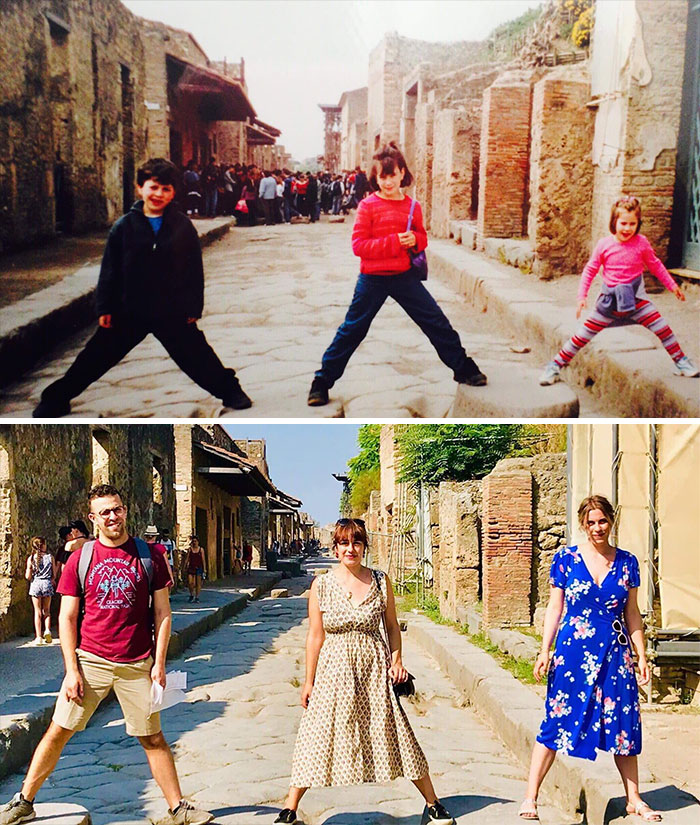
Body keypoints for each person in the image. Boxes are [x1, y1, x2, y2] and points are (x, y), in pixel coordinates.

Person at [0, 484, 213, 825]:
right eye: (105, 512)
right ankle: (24, 800)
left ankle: (177, 808)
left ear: (125, 510)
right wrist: (71, 670)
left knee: (153, 738)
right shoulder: (79, 560)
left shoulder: (149, 556)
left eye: (117, 509)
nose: (112, 517)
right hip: (91, 662)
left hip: (137, 663)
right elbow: (66, 618)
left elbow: (163, 612)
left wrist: (159, 664)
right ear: (93, 518)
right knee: (58, 730)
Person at [32, 157, 252, 417]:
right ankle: (56, 398)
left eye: (166, 189)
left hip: (171, 310)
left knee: (197, 356)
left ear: (173, 193)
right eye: (153, 187)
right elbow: (110, 271)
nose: (159, 194)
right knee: (94, 358)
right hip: (129, 309)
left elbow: (194, 270)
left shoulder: (182, 227)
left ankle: (230, 391)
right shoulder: (124, 227)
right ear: (140, 188)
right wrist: (104, 306)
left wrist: (193, 306)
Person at [275, 518, 454, 825]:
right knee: (316, 733)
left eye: (356, 543)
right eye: (344, 543)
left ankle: (433, 802)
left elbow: (392, 627)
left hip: (374, 667)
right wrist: (308, 681)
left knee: (396, 732)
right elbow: (315, 636)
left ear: (364, 547)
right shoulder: (322, 585)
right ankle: (290, 808)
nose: (350, 549)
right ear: (335, 548)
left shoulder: (381, 581)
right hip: (334, 668)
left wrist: (397, 661)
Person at [307, 141, 487, 406]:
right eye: (383, 176)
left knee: (435, 321)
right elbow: (359, 247)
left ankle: (464, 368)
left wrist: (414, 239)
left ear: (403, 172)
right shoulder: (367, 206)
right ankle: (321, 382)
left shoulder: (412, 206)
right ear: (375, 177)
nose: (388, 182)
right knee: (352, 330)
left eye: (392, 175)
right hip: (373, 279)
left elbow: (422, 239)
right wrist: (395, 242)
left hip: (404, 277)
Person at [519, 495, 661, 823]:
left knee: (624, 725)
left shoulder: (627, 563)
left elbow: (632, 613)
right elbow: (555, 608)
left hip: (615, 653)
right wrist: (544, 650)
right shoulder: (566, 559)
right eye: (591, 522)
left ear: (611, 521)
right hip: (572, 655)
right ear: (583, 524)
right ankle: (531, 796)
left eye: (603, 521)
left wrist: (640, 656)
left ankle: (634, 799)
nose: (598, 528)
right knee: (555, 722)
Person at [539, 196, 698, 385]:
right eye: (623, 223)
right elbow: (590, 270)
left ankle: (681, 362)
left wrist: (672, 285)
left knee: (663, 328)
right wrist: (582, 296)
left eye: (633, 223)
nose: (627, 228)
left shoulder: (642, 243)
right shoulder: (604, 245)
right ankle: (554, 366)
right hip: (609, 304)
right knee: (582, 336)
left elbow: (655, 265)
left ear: (638, 224)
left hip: (637, 302)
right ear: (614, 222)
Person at [25, 537, 58, 645]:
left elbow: (28, 576)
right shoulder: (50, 557)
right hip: (47, 583)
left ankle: (38, 636)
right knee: (46, 610)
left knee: (37, 611)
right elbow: (54, 574)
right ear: (43, 545)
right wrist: (52, 579)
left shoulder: (31, 559)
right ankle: (47, 630)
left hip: (36, 584)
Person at [186, 536, 206, 603]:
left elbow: (203, 560)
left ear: (198, 542)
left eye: (195, 541)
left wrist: (204, 569)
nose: (194, 543)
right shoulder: (190, 550)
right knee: (190, 583)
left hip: (199, 567)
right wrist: (185, 566)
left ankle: (197, 597)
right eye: (193, 541)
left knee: (198, 583)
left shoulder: (201, 550)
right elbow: (187, 559)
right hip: (191, 567)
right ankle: (191, 594)